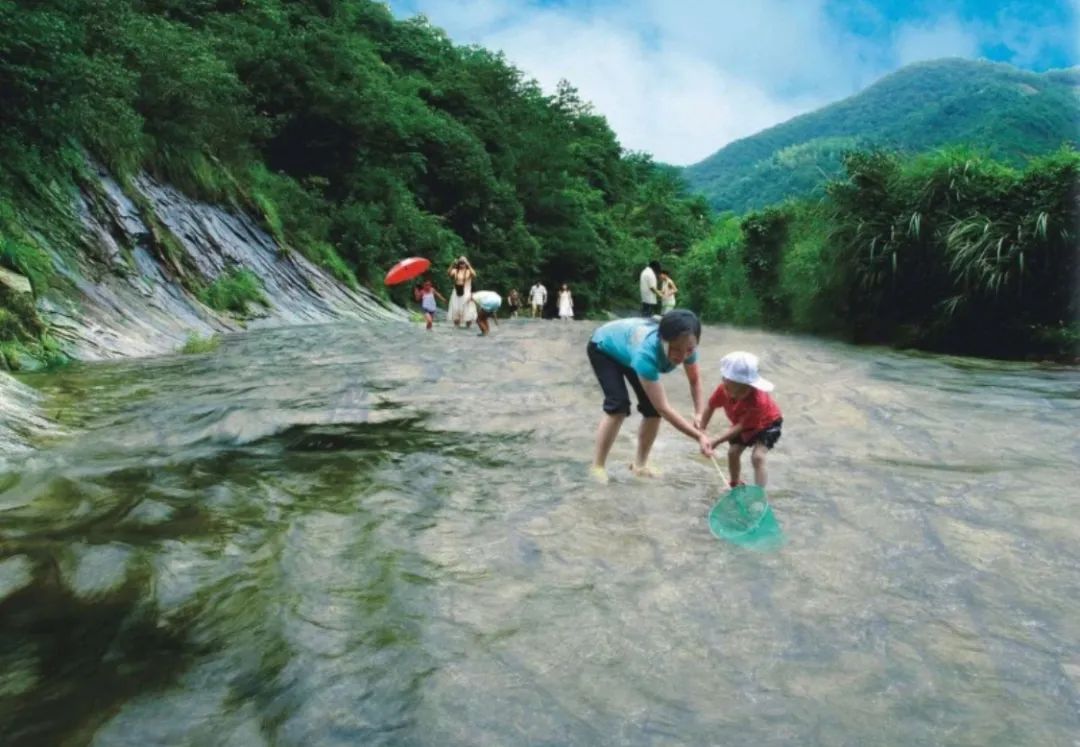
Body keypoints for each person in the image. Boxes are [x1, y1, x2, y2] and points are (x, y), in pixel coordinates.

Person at [586, 310, 712, 483]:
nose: (682, 356)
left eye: (689, 350)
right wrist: (698, 436)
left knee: (652, 411)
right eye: (675, 349)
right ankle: (597, 466)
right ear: (662, 339)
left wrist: (699, 414)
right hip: (604, 347)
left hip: (628, 348)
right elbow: (664, 408)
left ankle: (640, 464)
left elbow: (695, 381)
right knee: (618, 406)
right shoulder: (646, 354)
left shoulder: (688, 348)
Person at [698, 351, 782, 488]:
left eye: (745, 390)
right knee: (732, 452)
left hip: (768, 423)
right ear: (725, 382)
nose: (740, 395)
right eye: (736, 391)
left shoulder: (757, 401)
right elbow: (710, 406)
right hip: (744, 424)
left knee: (758, 457)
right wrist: (701, 430)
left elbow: (741, 426)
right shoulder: (722, 390)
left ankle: (759, 493)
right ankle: (734, 483)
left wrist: (716, 441)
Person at [447, 256, 477, 328]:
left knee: (468, 310)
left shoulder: (469, 271)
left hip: (466, 293)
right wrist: (452, 264)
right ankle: (457, 327)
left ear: (466, 263)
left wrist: (468, 265)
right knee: (456, 310)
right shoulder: (455, 270)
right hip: (456, 293)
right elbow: (448, 273)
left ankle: (468, 327)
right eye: (460, 262)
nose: (461, 264)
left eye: (463, 262)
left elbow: (475, 275)